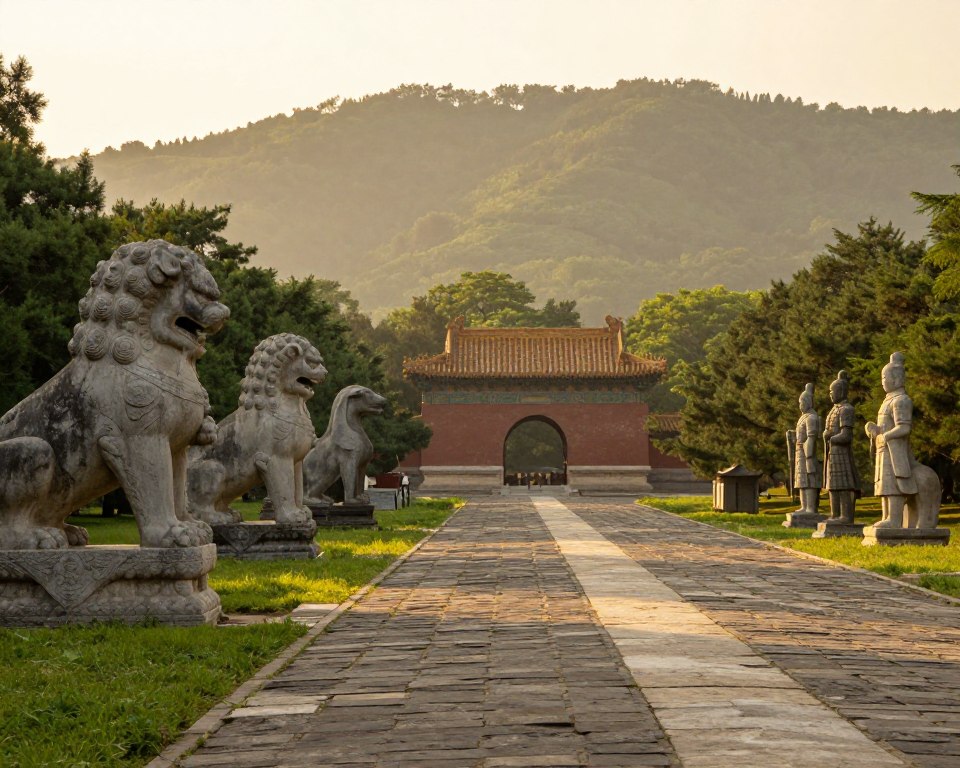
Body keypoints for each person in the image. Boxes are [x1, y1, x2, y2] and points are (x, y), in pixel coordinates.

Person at [865, 352, 917, 528]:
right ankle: (886, 516)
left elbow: (904, 427)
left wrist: (886, 435)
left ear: (896, 379)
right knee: (884, 483)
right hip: (883, 448)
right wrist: (874, 429)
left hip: (895, 450)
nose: (882, 381)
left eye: (885, 377)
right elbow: (885, 426)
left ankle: (894, 519)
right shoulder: (888, 401)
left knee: (894, 484)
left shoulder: (902, 400)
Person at [822, 370, 859, 524]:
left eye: (833, 391)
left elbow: (846, 435)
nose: (830, 394)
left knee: (844, 485)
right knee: (833, 485)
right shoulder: (833, 410)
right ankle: (835, 514)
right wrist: (827, 434)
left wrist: (831, 437)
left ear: (841, 391)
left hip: (842, 454)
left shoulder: (846, 409)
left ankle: (845, 516)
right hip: (832, 453)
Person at [790, 382, 821, 515]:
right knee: (801, 479)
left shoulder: (811, 418)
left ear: (808, 402)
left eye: (802, 402)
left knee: (809, 480)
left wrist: (808, 455)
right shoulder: (802, 418)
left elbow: (811, 437)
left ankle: (811, 508)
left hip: (807, 452)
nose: (800, 405)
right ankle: (804, 506)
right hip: (799, 452)